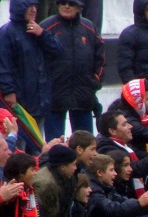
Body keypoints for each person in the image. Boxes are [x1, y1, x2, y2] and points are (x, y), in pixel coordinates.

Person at [0, 0, 63, 154]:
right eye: (29, 6)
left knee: (37, 149)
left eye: (35, 6)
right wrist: (9, 91)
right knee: (19, 149)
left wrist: (42, 34)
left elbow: (58, 51)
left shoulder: (37, 32)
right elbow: (0, 65)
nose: (34, 10)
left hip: (39, 102)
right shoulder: (6, 33)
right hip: (19, 103)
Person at [41, 0, 105, 140]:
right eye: (63, 2)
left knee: (85, 143)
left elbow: (100, 58)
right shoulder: (46, 27)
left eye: (71, 3)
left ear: (79, 7)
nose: (66, 6)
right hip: (54, 97)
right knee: (55, 144)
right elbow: (36, 59)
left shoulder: (89, 28)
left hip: (83, 96)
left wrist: (95, 82)